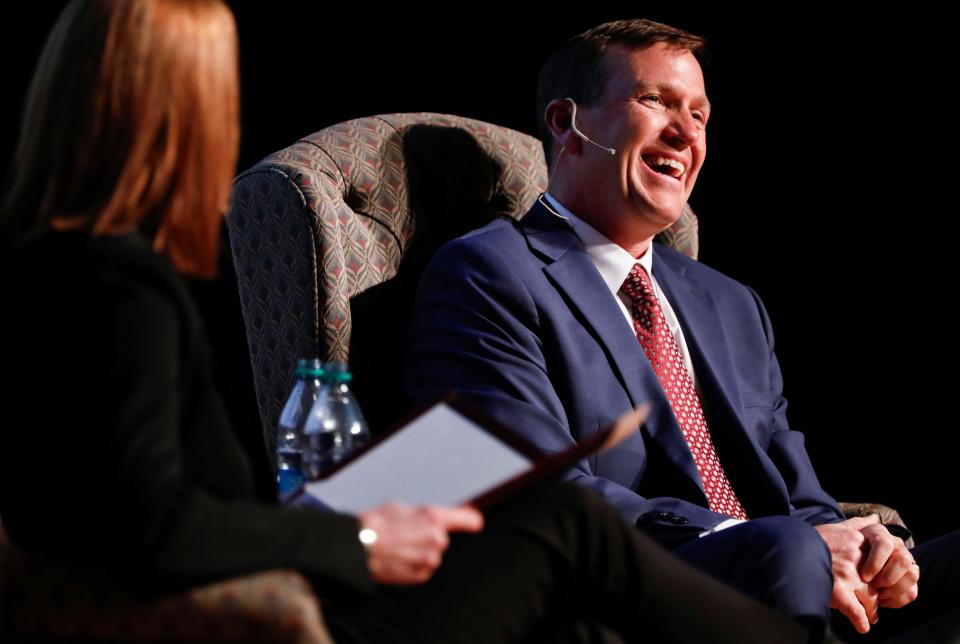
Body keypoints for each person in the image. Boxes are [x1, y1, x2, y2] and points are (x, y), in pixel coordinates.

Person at [0, 3, 837, 643]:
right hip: (311, 609)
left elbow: (127, 506)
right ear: (177, 107)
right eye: (221, 90)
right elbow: (150, 526)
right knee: (572, 522)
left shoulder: (62, 270)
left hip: (307, 567)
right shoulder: (116, 284)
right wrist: (360, 537)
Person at [404, 18, 959, 641]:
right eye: (655, 101)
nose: (685, 131)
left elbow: (799, 495)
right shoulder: (491, 272)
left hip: (798, 592)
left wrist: (865, 549)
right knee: (787, 550)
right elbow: (536, 491)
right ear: (567, 123)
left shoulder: (731, 301)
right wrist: (765, 541)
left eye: (699, 115)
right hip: (642, 593)